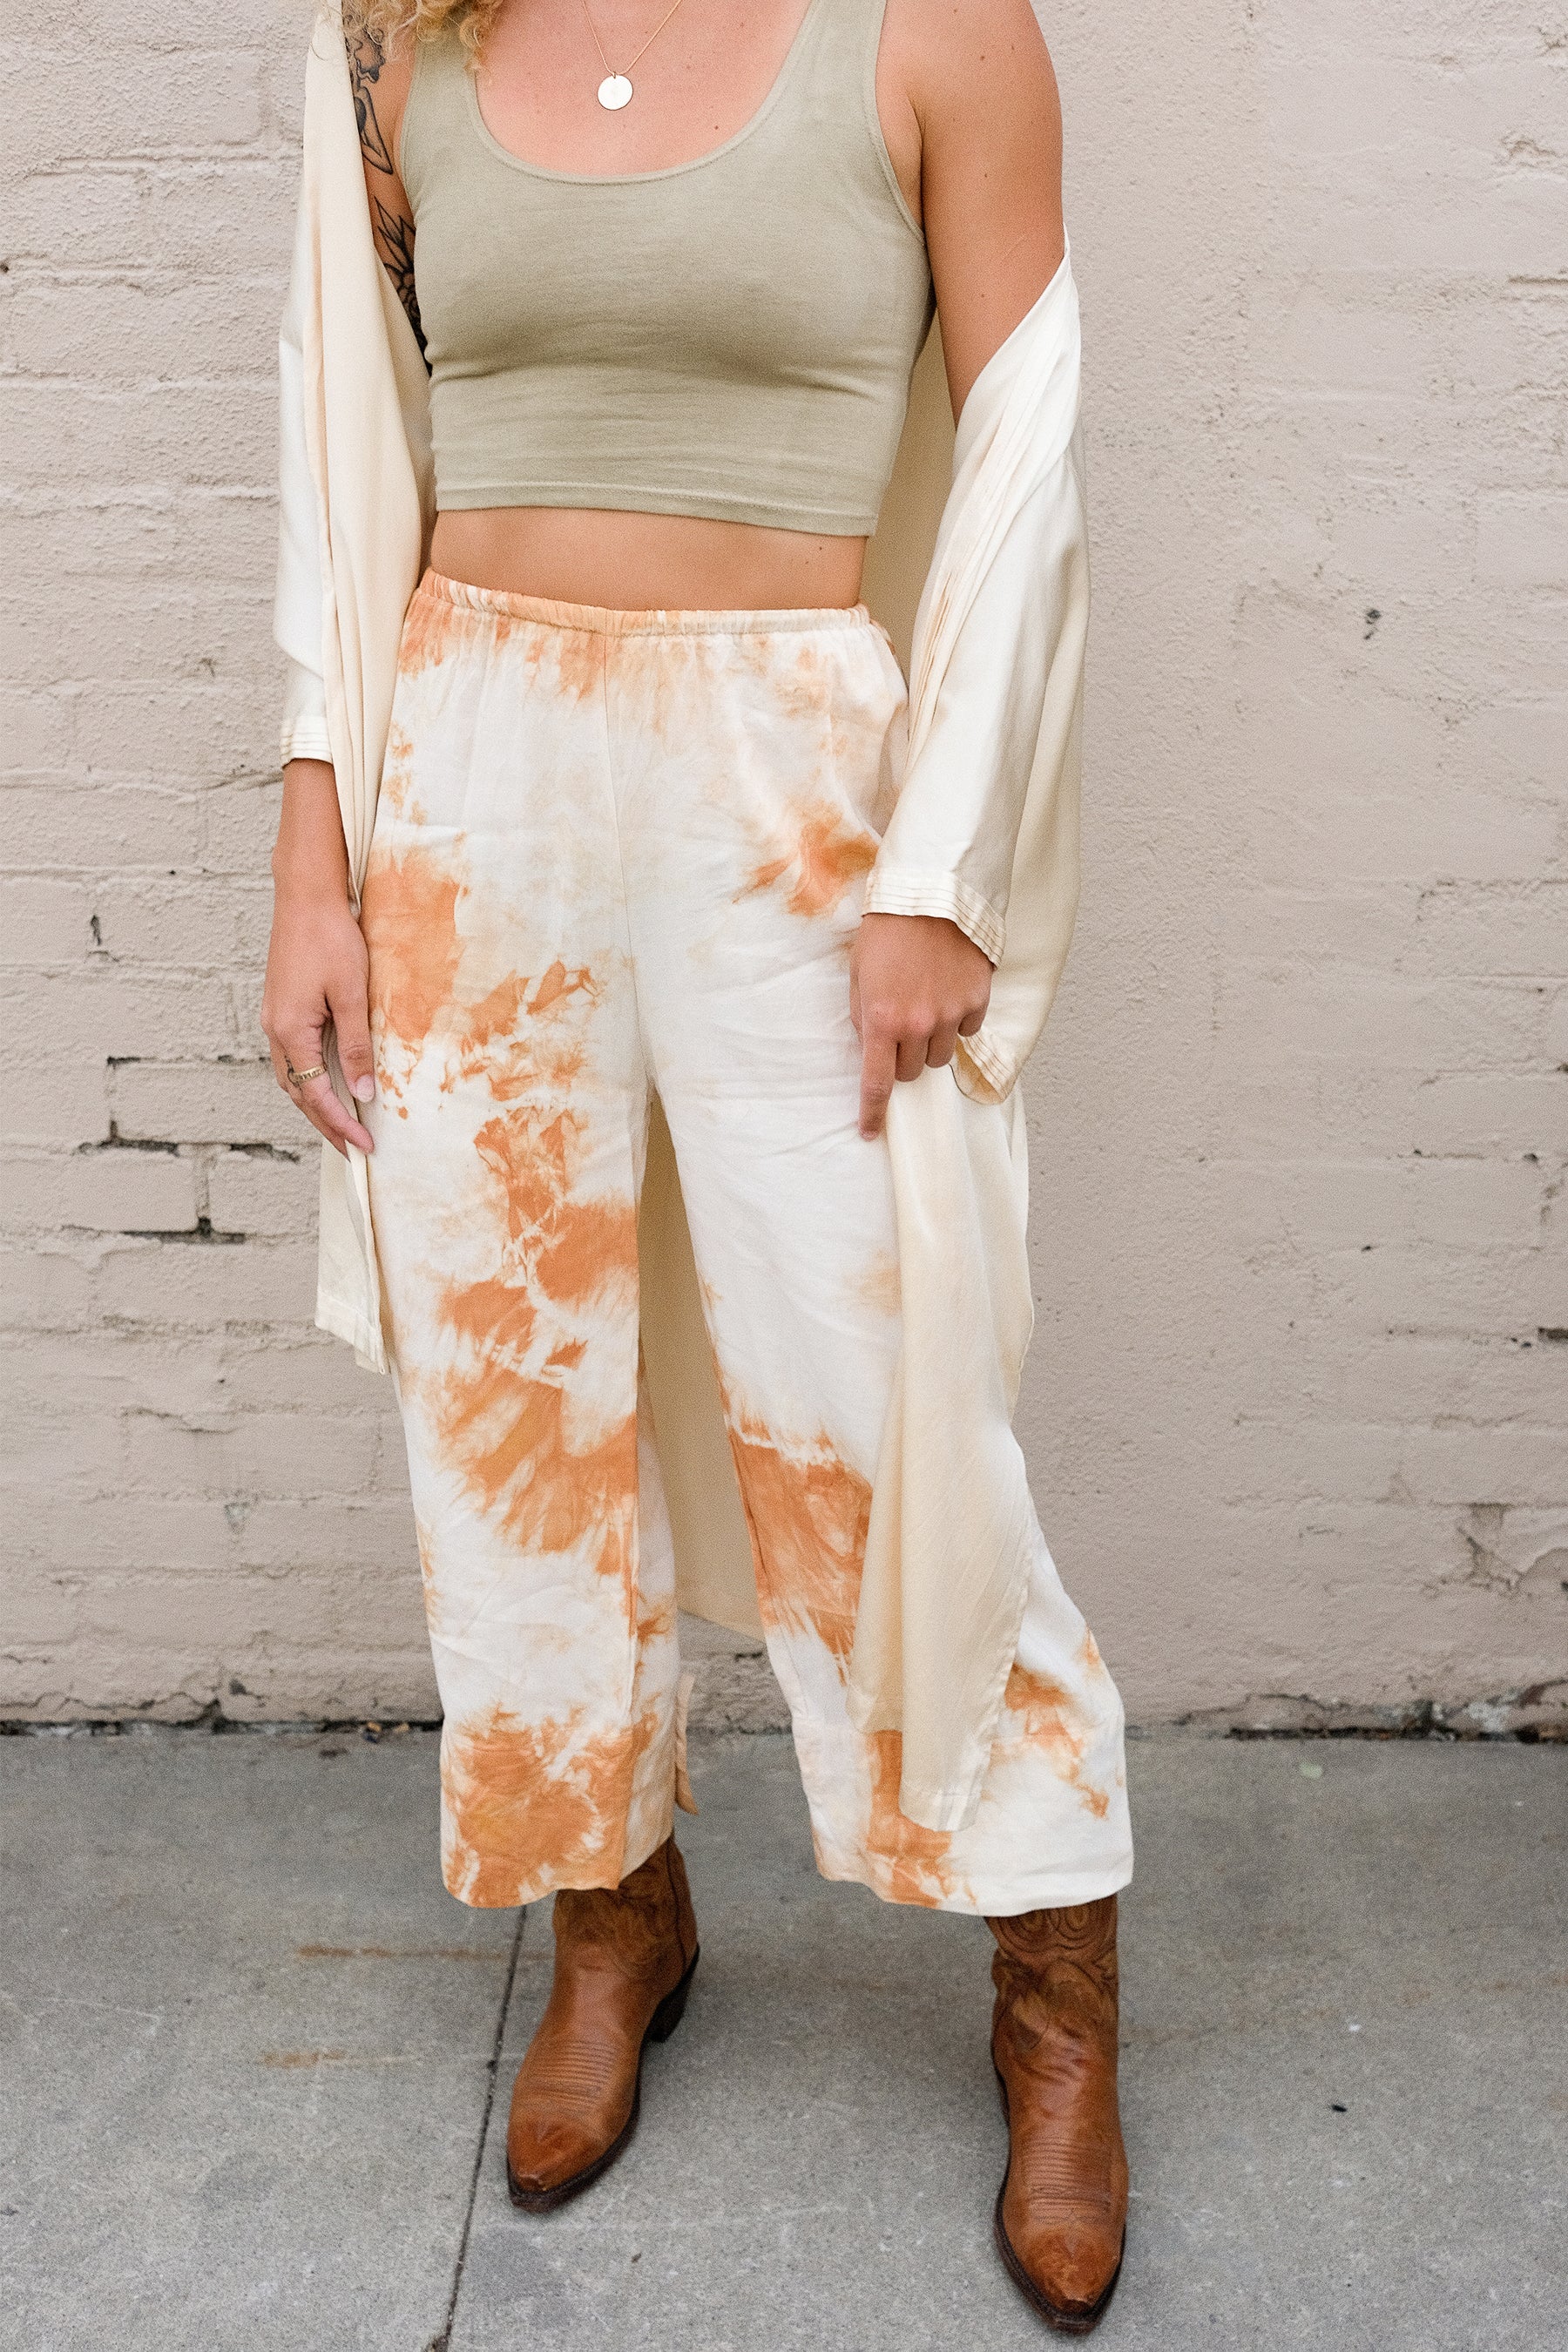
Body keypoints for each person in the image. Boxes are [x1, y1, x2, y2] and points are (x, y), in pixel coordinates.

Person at [265, 0, 1132, 2328]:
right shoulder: (396, 31)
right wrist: (312, 858)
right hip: (472, 770)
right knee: (512, 1415)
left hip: (798, 795)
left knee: (884, 1401)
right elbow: (339, 443)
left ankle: (1054, 1979)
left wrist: (942, 868)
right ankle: (611, 1911)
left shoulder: (936, 33)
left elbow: (1029, 448)